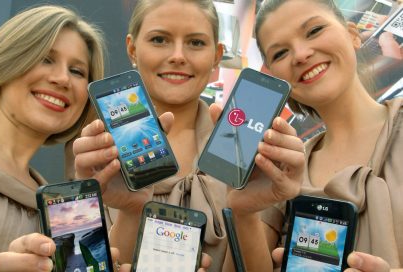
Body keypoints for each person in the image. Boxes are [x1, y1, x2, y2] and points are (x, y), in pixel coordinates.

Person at [70, 0, 305, 271]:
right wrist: (130, 212)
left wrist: (245, 214)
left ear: (217, 55)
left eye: (195, 43)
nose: (178, 56)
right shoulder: (94, 153)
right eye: (159, 39)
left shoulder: (251, 149)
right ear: (132, 48)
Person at [254, 0, 403, 271]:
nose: (299, 54)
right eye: (280, 53)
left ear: (353, 35)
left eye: (313, 31)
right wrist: (243, 213)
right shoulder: (282, 170)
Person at [0, 5, 128, 272]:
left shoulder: (58, 205)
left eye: (77, 71)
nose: (63, 79)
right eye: (45, 58)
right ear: (8, 58)